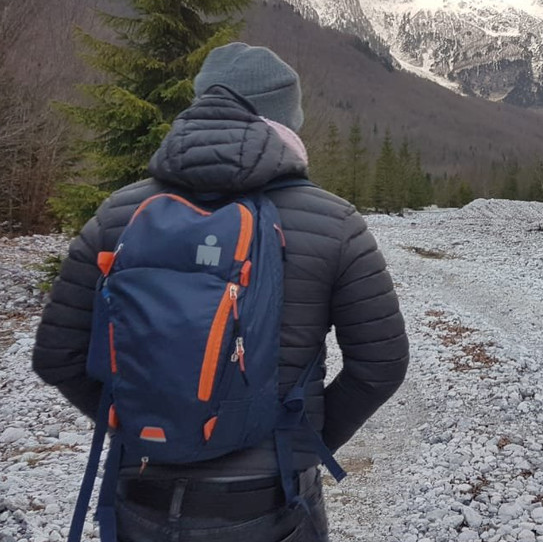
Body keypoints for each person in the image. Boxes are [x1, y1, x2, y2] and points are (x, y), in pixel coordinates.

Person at [33, 42, 410, 542]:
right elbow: (381, 365)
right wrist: (303, 442)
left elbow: (57, 356)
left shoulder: (119, 212)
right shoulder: (335, 221)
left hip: (141, 492)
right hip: (270, 499)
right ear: (286, 121)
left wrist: (140, 421)